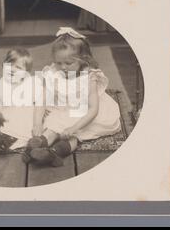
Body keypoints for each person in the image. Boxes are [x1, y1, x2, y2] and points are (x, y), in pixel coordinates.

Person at [24, 27, 121, 166]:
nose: (63, 67)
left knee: (75, 135)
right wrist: (37, 123)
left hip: (84, 113)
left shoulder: (89, 77)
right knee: (52, 126)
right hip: (63, 108)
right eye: (58, 63)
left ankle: (54, 153)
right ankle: (36, 146)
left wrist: (74, 128)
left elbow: (93, 109)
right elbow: (42, 100)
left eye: (68, 63)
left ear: (82, 60)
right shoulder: (53, 73)